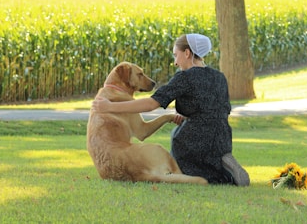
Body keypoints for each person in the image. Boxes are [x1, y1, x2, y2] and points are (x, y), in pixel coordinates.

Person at [92, 34, 250, 186]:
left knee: (184, 162)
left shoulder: (184, 77)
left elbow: (151, 104)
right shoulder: (219, 77)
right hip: (223, 138)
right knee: (210, 164)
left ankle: (213, 174)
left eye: (176, 55)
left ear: (187, 53)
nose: (175, 62)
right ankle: (225, 171)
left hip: (193, 139)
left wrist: (110, 106)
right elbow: (220, 108)